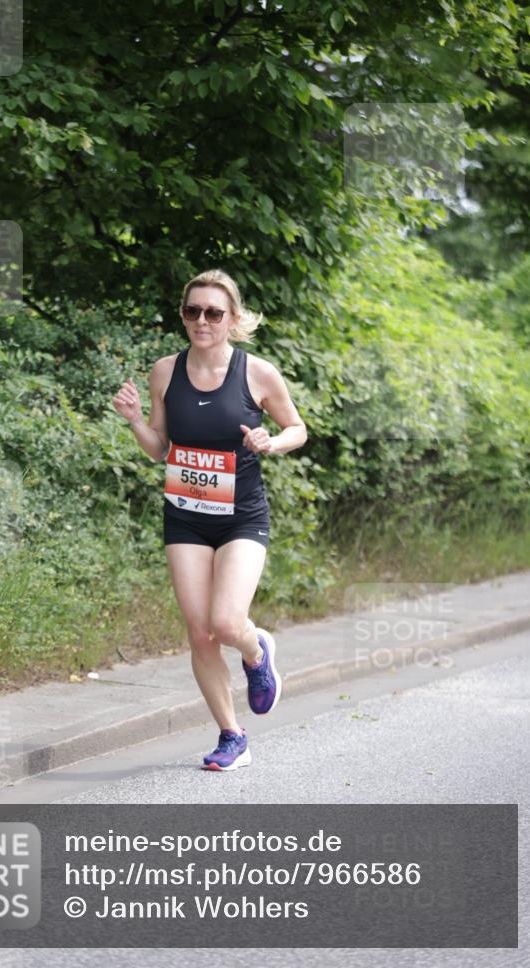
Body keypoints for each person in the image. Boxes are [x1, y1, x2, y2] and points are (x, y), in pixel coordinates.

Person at [112, 269, 307, 770]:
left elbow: (297, 428)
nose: (202, 320)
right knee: (199, 632)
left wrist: (271, 441)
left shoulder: (257, 373)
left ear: (232, 318)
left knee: (225, 623)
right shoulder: (164, 372)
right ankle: (232, 736)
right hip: (185, 516)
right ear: (183, 315)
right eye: (192, 311)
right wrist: (135, 421)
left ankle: (256, 650)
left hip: (242, 515)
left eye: (213, 313)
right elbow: (159, 449)